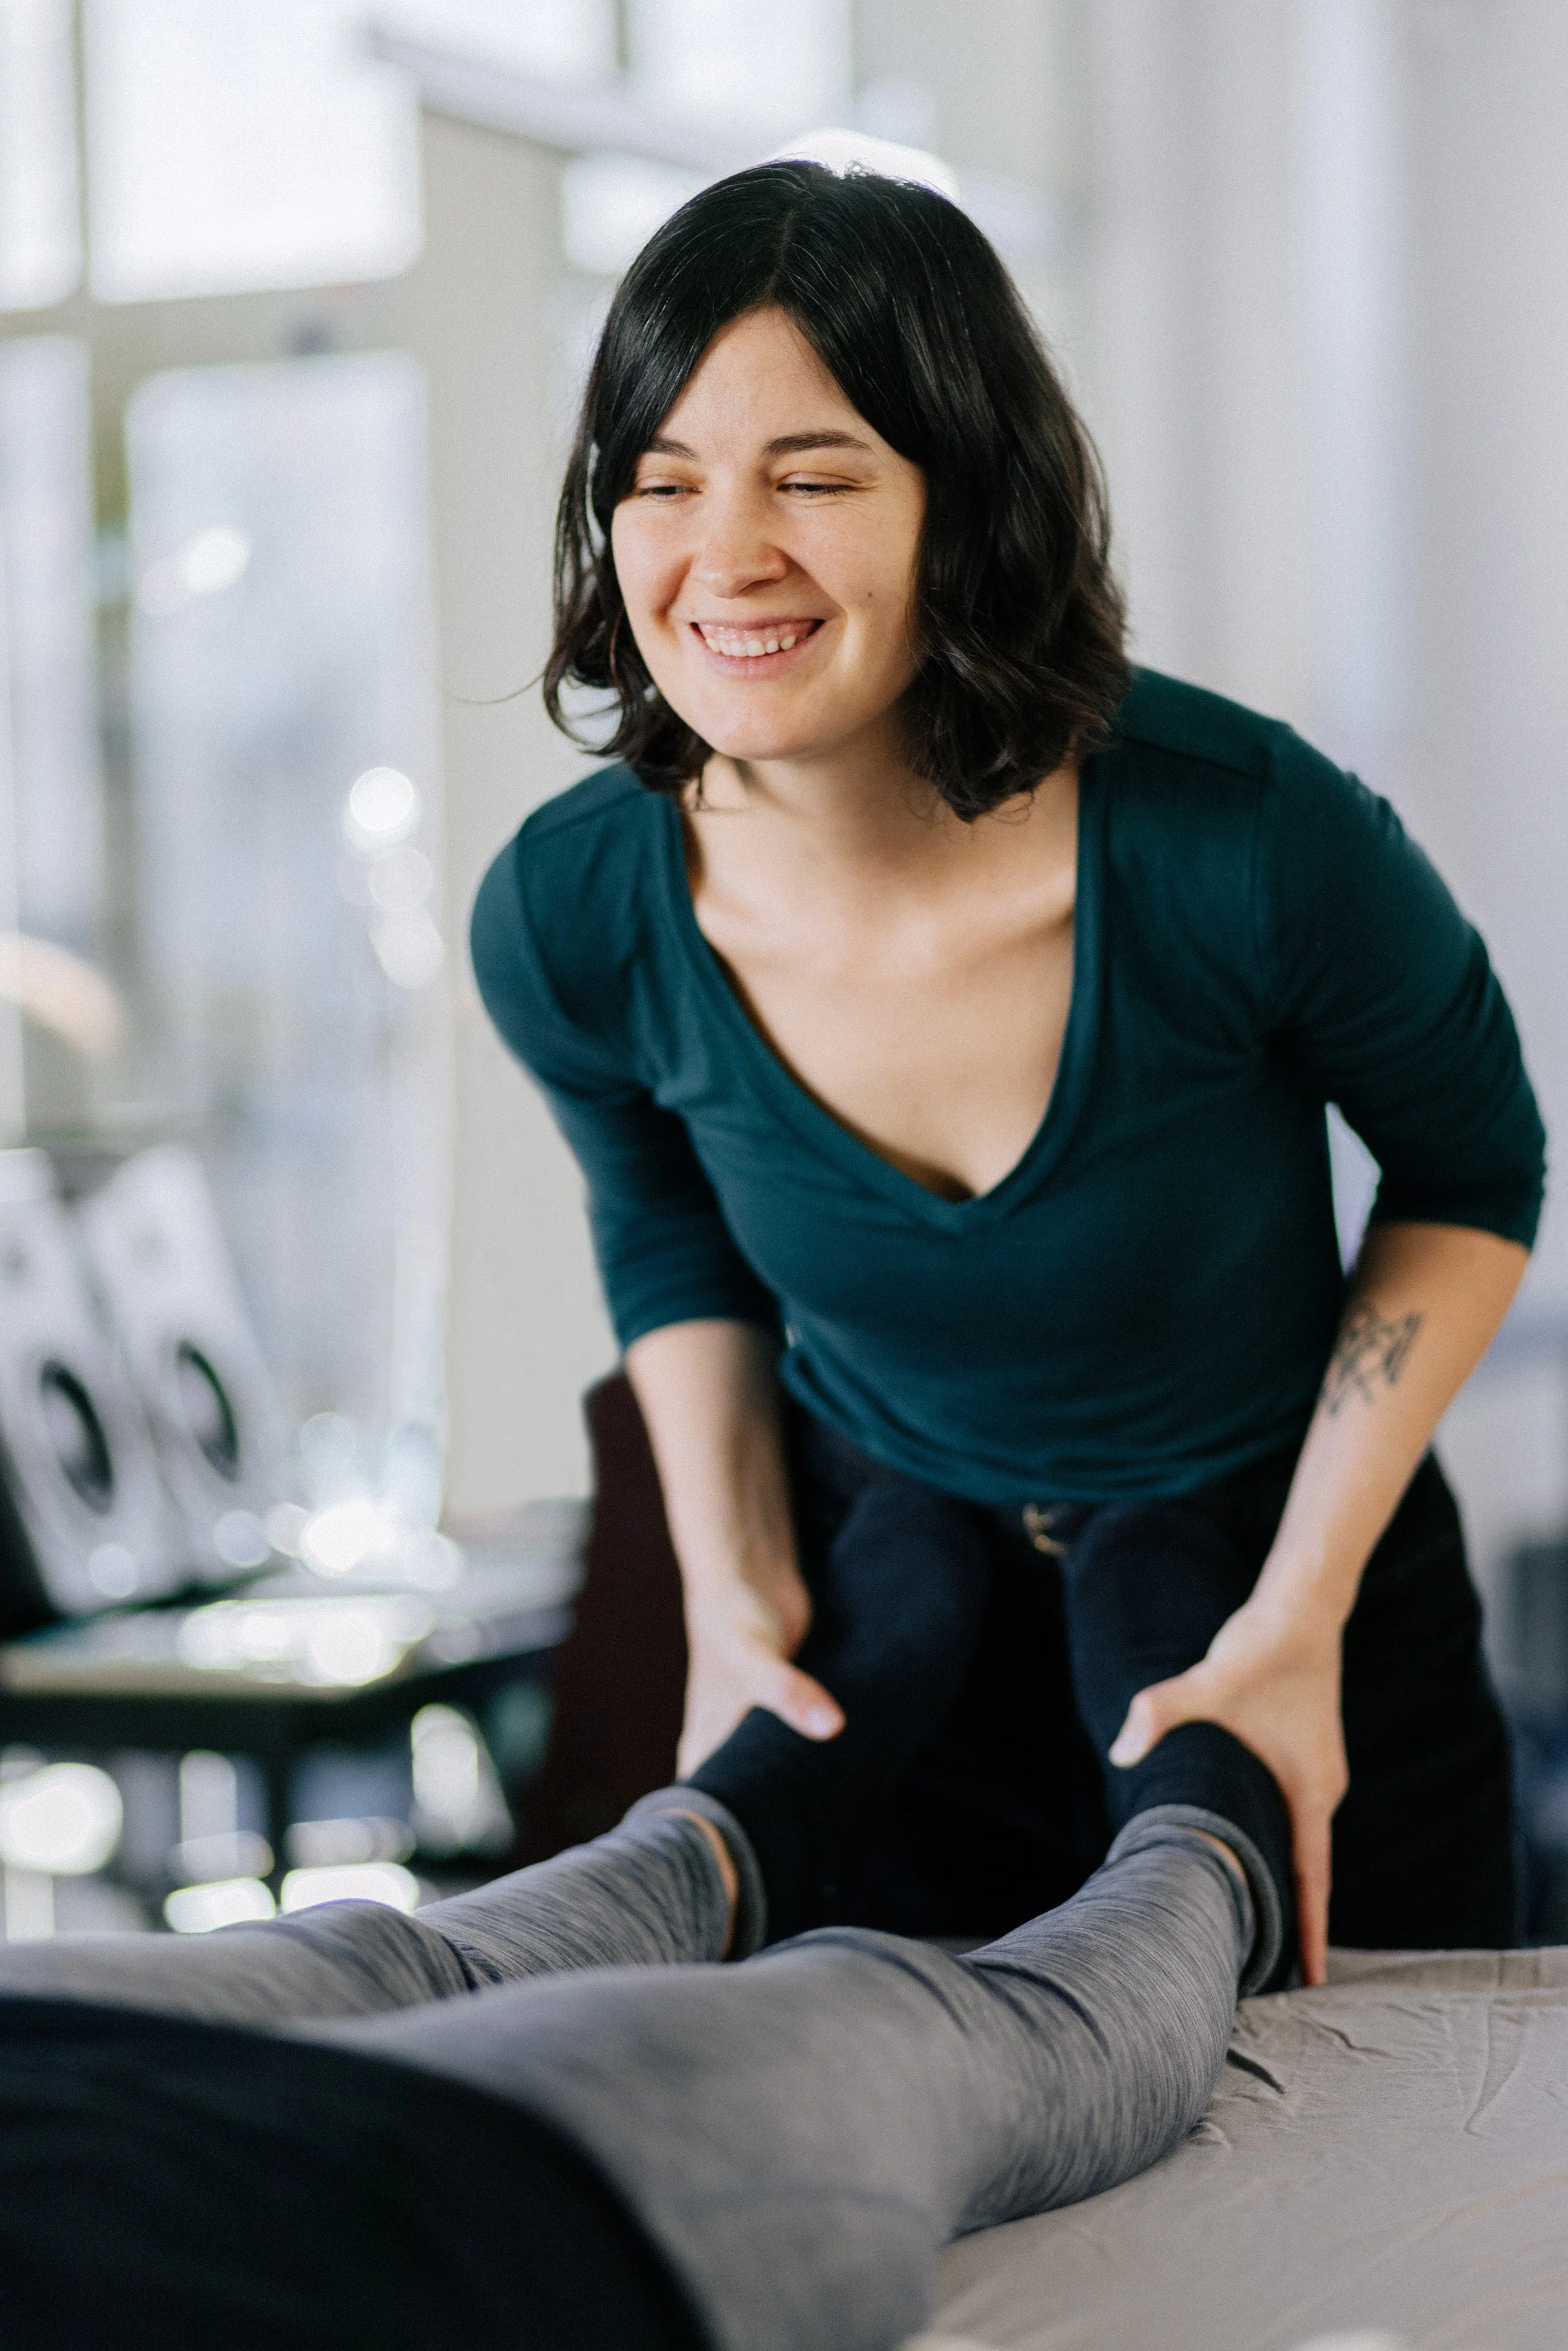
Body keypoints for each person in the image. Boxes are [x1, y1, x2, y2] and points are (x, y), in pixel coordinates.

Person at [0, 161, 1544, 2351]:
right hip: (896, 1635)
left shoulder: (1248, 838)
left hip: (1287, 1614)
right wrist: (736, 1602)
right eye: (660, 480)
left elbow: (1473, 1168)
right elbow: (668, 1245)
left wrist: (1290, 1621)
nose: (725, 554)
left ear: (965, 499)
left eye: (814, 473)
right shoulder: (576, 911)